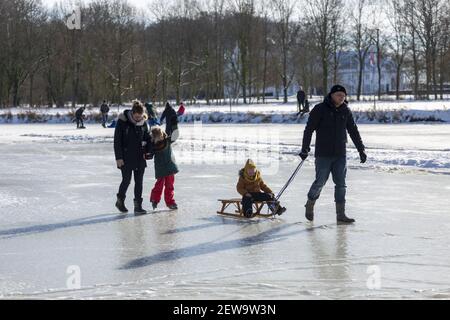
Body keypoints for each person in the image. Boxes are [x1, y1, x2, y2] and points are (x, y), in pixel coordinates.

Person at [299, 85, 367, 224]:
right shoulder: (320, 109)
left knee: (341, 184)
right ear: (331, 95)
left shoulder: (345, 111)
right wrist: (305, 148)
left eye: (343, 96)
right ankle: (310, 203)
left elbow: (353, 131)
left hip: (340, 154)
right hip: (323, 154)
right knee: (320, 183)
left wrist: (361, 149)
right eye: (339, 95)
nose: (341, 98)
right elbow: (309, 130)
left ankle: (340, 214)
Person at [114, 100, 152, 215]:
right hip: (125, 157)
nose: (138, 119)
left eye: (140, 117)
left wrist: (149, 151)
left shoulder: (144, 123)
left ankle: (138, 206)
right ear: (132, 113)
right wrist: (119, 157)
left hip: (140, 157)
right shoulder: (122, 121)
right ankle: (120, 201)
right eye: (136, 116)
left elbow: (148, 139)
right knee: (126, 180)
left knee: (139, 182)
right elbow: (117, 141)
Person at [149, 126, 179, 210]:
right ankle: (155, 199)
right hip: (160, 169)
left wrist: (174, 124)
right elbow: (149, 154)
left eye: (161, 136)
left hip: (170, 167)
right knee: (159, 185)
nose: (160, 138)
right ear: (154, 138)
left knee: (170, 185)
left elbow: (176, 135)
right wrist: (148, 154)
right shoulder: (153, 146)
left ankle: (170, 202)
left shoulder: (167, 141)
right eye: (158, 137)